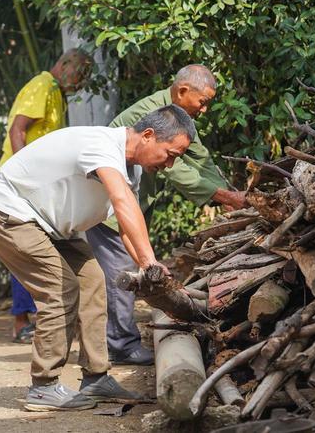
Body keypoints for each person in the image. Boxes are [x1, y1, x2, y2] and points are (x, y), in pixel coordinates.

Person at [0, 105, 195, 411]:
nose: (170, 163)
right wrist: (147, 262)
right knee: (61, 289)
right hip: (8, 211)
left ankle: (96, 378)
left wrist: (151, 270)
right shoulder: (101, 146)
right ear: (148, 136)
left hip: (52, 224)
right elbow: (121, 203)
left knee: (93, 282)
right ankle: (43, 386)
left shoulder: (130, 169)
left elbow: (124, 229)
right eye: (171, 153)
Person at [86, 64, 247, 365]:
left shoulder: (182, 121)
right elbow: (179, 171)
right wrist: (224, 196)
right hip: (109, 204)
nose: (205, 109)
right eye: (203, 101)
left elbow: (200, 160)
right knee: (120, 270)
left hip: (131, 201)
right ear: (183, 91)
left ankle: (116, 340)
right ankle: (121, 345)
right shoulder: (151, 114)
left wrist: (228, 193)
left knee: (131, 266)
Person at [0, 48, 93, 343]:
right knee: (26, 250)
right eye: (79, 74)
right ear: (65, 64)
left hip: (40, 186)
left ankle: (36, 318)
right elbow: (18, 130)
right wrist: (25, 178)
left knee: (40, 251)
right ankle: (20, 322)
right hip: (23, 186)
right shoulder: (42, 85)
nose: (79, 83)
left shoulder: (55, 91)